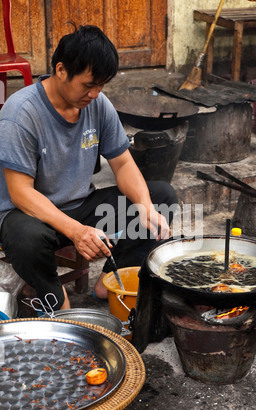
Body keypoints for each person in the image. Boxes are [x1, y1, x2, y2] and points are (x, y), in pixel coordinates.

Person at [0, 25, 177, 313]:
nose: (95, 94)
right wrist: (77, 231)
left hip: (81, 206)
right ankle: (58, 302)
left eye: (101, 86)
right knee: (25, 238)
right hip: (31, 215)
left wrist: (144, 205)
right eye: (88, 85)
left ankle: (110, 280)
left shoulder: (97, 105)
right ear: (61, 70)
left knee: (161, 197)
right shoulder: (21, 113)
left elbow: (122, 163)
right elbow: (20, 194)